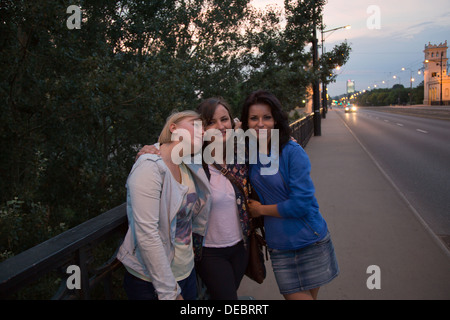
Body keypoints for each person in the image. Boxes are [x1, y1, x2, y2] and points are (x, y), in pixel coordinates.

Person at [137, 98, 250, 300]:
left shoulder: (241, 153)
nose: (220, 126)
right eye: (211, 122)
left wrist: (287, 143)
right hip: (209, 251)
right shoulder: (194, 160)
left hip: (240, 246)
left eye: (224, 119)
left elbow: (270, 144)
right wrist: (150, 149)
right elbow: (167, 153)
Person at [242, 89, 339, 300]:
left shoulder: (292, 152)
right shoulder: (250, 151)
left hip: (308, 239)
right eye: (254, 118)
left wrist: (260, 210)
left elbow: (301, 204)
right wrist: (158, 148)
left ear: (276, 120)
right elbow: (214, 139)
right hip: (279, 245)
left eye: (266, 117)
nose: (260, 124)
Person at [116, 110, 211, 300]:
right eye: (196, 125)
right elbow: (147, 234)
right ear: (173, 128)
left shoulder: (189, 164)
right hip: (151, 281)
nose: (203, 132)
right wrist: (170, 292)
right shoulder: (149, 167)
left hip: (187, 272)